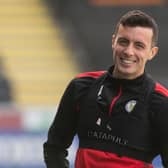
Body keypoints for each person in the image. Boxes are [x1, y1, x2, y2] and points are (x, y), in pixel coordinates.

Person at [43, 10, 168, 168]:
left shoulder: (161, 102)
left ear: (152, 52)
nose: (129, 51)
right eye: (123, 42)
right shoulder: (81, 86)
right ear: (113, 41)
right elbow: (54, 148)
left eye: (139, 46)